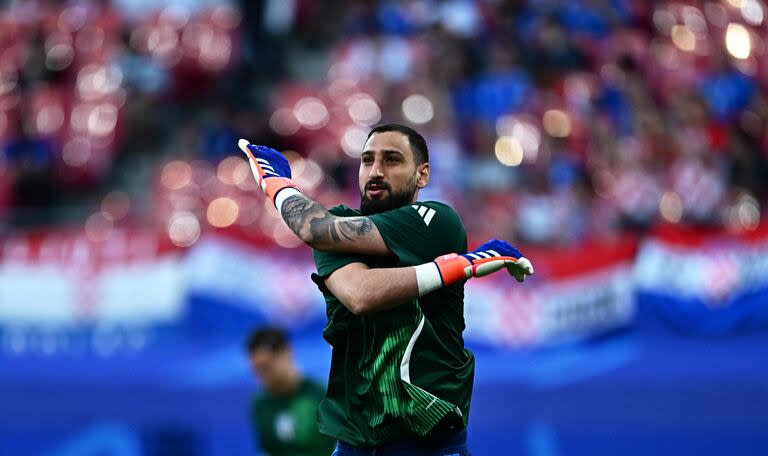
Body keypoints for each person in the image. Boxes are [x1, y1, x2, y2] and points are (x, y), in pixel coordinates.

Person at [239, 124, 534, 455]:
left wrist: (276, 185)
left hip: (428, 443)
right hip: (354, 443)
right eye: (367, 160)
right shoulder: (335, 224)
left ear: (422, 175)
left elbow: (332, 252)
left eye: (392, 160)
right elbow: (359, 294)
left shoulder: (437, 221)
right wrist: (453, 267)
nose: (376, 171)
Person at [245, 326, 336, 456]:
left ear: (287, 352)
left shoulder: (324, 397)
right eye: (257, 370)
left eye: (267, 366)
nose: (263, 376)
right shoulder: (260, 405)